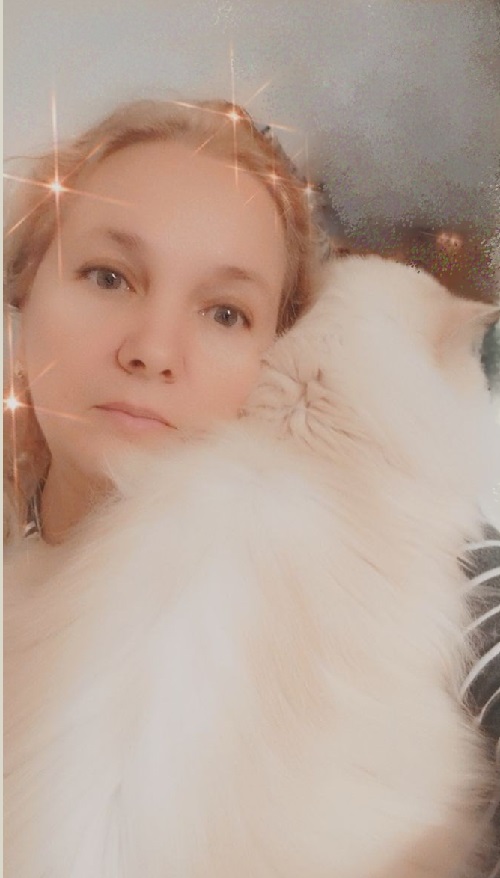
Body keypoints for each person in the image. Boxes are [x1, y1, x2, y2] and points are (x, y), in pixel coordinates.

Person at [4, 96, 500, 875]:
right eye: (109, 276)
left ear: (278, 344)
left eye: (225, 313)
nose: (153, 349)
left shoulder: (410, 560)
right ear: (23, 289)